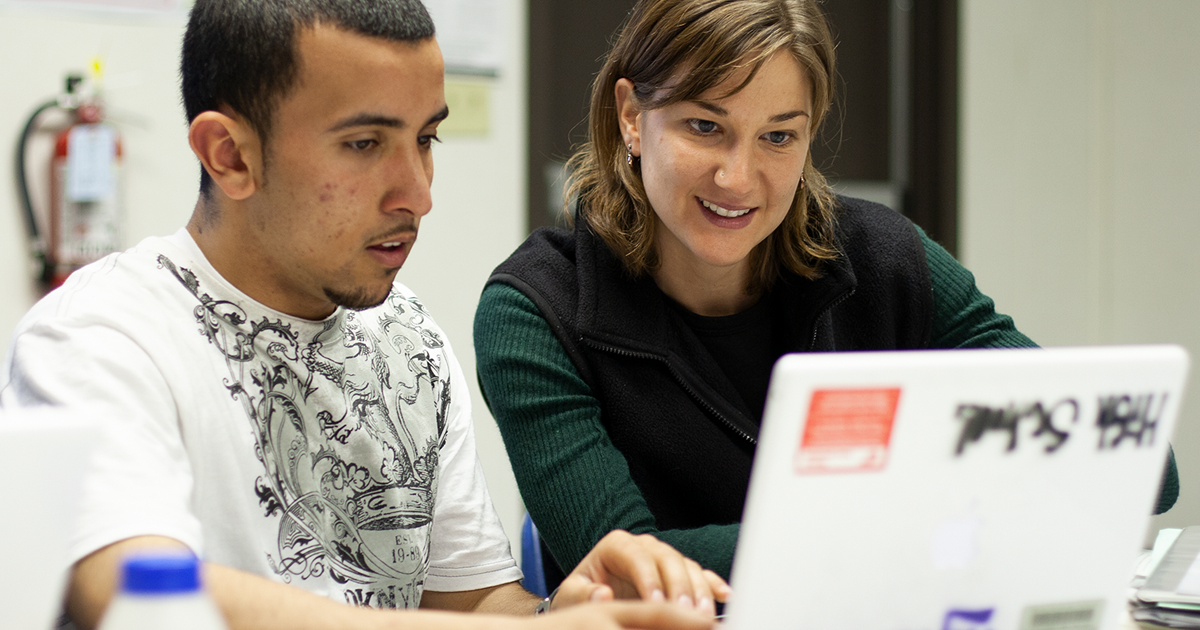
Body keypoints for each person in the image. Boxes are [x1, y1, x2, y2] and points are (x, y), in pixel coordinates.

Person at [0, 1, 729, 629]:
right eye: (364, 144)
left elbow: (468, 605)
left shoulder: (406, 334)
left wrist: (564, 612)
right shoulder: (100, 337)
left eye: (426, 139)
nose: (418, 194)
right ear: (229, 155)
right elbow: (126, 589)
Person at [473, 0, 1179, 588]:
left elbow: (1137, 470)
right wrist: (916, 523)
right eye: (705, 127)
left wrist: (884, 530)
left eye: (779, 137)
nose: (738, 178)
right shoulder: (536, 310)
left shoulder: (882, 258)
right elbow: (623, 570)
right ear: (632, 115)